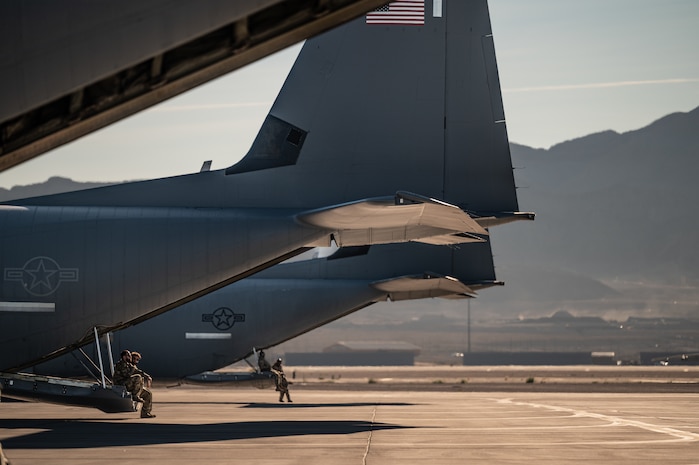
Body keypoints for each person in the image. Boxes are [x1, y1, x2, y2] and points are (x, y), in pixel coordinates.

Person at [112, 349, 156, 418]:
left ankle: (145, 413)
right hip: (122, 385)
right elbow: (127, 375)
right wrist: (133, 370)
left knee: (148, 394)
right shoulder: (120, 365)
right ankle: (135, 396)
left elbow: (138, 371)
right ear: (124, 357)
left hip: (130, 386)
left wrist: (147, 376)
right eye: (128, 356)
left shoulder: (128, 365)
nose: (130, 357)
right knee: (138, 377)